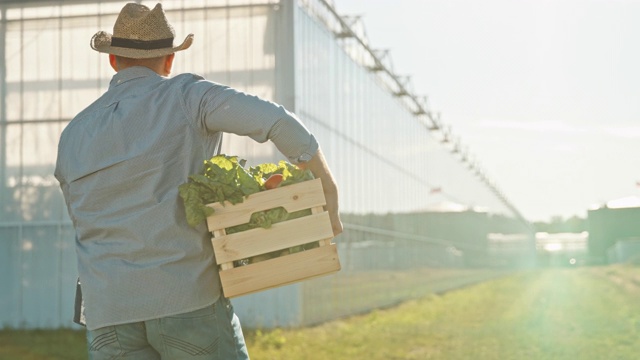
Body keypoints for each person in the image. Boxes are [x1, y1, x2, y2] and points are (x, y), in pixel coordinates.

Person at [54, 3, 342, 359]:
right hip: (185, 298)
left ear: (112, 61)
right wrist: (327, 187)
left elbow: (80, 216)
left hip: (107, 313)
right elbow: (278, 122)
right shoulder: (188, 96)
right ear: (169, 60)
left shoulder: (73, 134)